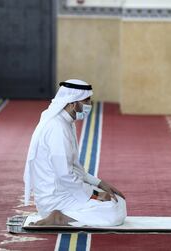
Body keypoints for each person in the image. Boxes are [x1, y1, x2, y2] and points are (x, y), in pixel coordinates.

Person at [23, 79, 127, 227]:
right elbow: (65, 175)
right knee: (113, 211)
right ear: (72, 103)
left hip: (65, 191)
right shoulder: (57, 128)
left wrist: (100, 184)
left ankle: (64, 216)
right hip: (56, 198)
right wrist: (95, 194)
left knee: (118, 201)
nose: (89, 105)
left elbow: (75, 169)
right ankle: (58, 217)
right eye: (86, 101)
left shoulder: (65, 123)